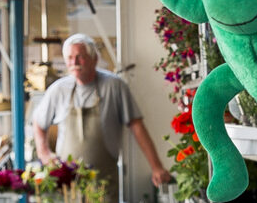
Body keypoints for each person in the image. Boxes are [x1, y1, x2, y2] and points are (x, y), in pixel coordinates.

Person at [30, 33, 170, 194]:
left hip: (104, 182)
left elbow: (136, 125)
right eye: (69, 58)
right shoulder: (58, 89)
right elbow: (38, 122)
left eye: (80, 57)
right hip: (67, 185)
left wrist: (156, 167)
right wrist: (44, 154)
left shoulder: (114, 86)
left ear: (94, 59)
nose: (74, 63)